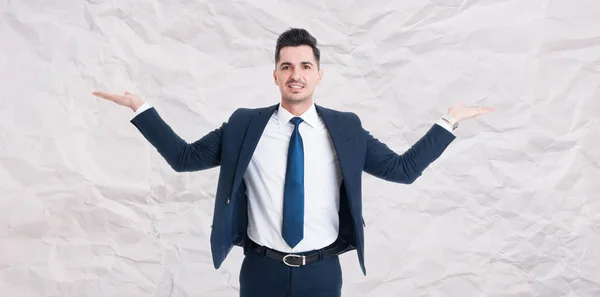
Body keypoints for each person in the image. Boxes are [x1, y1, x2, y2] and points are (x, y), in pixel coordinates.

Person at [92, 28, 494, 297]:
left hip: (321, 272)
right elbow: (183, 159)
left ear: (319, 74)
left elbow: (402, 170)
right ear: (275, 76)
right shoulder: (244, 125)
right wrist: (140, 108)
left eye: (304, 66)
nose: (295, 74)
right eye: (286, 66)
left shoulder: (346, 128)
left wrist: (449, 122)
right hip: (261, 270)